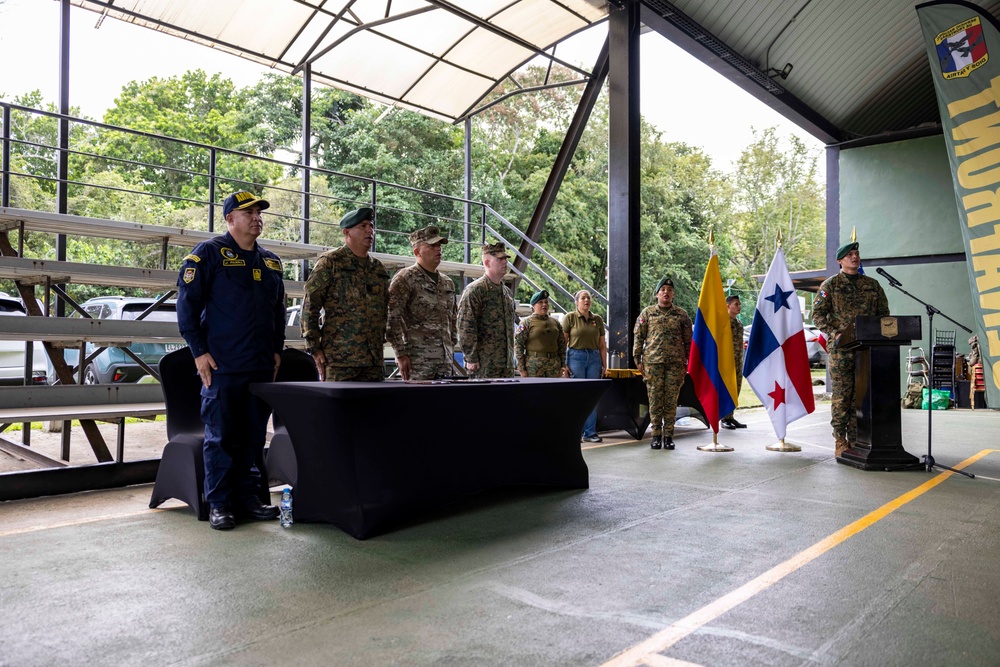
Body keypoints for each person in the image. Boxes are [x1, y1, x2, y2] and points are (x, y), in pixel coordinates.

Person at [176, 190, 286, 530]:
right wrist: (199, 352)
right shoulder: (208, 254)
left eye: (259, 212)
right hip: (222, 366)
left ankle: (248, 498)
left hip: (260, 366)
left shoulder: (270, 261)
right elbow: (186, 307)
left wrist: (277, 350)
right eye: (248, 212)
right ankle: (220, 504)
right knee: (221, 436)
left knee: (253, 437)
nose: (257, 218)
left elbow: (277, 311)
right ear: (230, 219)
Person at [812, 241, 889, 457]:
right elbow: (817, 315)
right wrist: (835, 332)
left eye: (856, 254)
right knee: (843, 396)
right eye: (849, 255)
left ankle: (857, 439)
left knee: (860, 396)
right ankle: (840, 439)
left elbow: (883, 313)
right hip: (841, 350)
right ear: (840, 260)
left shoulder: (872, 285)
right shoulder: (831, 285)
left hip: (866, 350)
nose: (854, 257)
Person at [302, 207, 390, 382]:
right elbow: (311, 304)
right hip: (339, 360)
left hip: (373, 360)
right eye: (363, 226)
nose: (369, 230)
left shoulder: (378, 269)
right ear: (346, 232)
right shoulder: (330, 262)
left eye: (371, 226)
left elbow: (384, 310)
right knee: (338, 409)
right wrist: (313, 346)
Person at [386, 225, 458, 380]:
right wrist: (400, 354)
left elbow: (453, 319)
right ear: (417, 251)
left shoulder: (447, 283)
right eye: (432, 246)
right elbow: (392, 319)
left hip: (444, 362)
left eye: (439, 245)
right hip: (417, 363)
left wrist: (451, 346)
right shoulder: (405, 279)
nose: (438, 249)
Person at [633, 276, 692, 451]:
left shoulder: (681, 315)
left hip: (676, 364)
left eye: (669, 290)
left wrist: (689, 361)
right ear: (657, 294)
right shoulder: (647, 313)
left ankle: (669, 436)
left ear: (673, 294)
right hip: (653, 364)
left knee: (671, 401)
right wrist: (637, 358)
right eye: (663, 290)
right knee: (655, 400)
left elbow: (689, 341)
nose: (666, 293)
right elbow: (638, 337)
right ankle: (656, 435)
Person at [456, 242, 518, 378]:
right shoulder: (475, 290)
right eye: (500, 259)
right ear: (487, 263)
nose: (505, 262)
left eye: (506, 258)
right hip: (484, 364)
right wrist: (471, 358)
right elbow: (465, 327)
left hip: (505, 365)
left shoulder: (506, 293)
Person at [564, 289, 607, 443]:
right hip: (576, 357)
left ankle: (590, 432)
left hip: (594, 357)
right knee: (578, 395)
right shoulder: (570, 318)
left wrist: (604, 364)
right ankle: (575, 432)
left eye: (588, 298)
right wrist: (564, 364)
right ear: (577, 302)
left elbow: (602, 344)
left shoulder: (598, 320)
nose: (586, 300)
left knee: (592, 395)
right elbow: (564, 342)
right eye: (583, 298)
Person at [515, 290, 568, 378]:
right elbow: (518, 345)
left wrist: (562, 365)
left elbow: (562, 345)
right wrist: (521, 369)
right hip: (533, 365)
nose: (544, 305)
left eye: (546, 302)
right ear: (533, 306)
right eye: (540, 302)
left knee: (553, 391)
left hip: (553, 365)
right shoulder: (526, 322)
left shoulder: (555, 322)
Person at [721, 295, 747, 430]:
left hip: (737, 361)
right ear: (728, 306)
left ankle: (730, 416)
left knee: (735, 388)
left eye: (739, 304)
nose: (739, 307)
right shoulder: (723, 323)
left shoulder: (739, 324)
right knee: (726, 389)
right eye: (736, 304)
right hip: (726, 362)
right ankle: (724, 418)